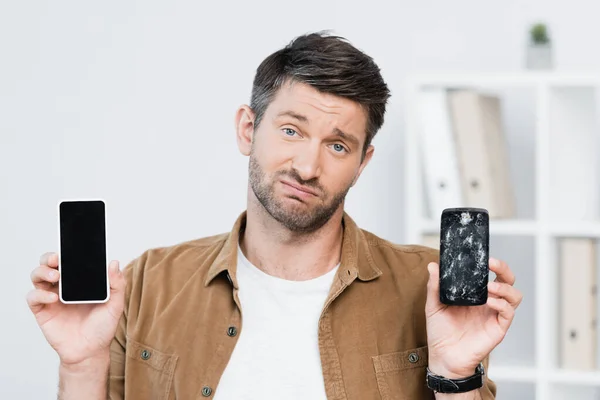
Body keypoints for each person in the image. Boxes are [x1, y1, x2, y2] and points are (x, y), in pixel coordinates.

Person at [28, 31, 522, 399]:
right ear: (248, 129)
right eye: (290, 130)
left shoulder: (429, 287)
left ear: (362, 162)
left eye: (337, 144)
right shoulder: (149, 284)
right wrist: (80, 363)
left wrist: (456, 376)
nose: (308, 166)